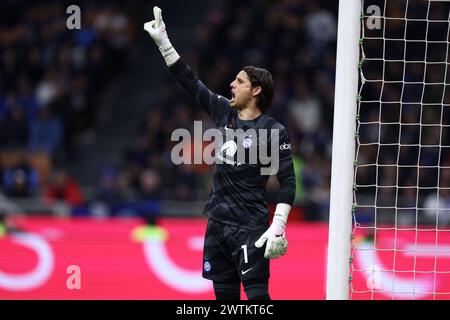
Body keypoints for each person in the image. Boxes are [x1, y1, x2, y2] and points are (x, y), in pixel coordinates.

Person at [144, 7, 296, 300]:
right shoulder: (224, 110)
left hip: (250, 228)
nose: (231, 85)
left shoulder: (274, 130)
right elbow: (190, 82)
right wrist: (164, 43)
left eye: (239, 82)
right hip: (217, 225)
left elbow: (288, 181)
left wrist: (278, 224)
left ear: (256, 90)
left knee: (258, 300)